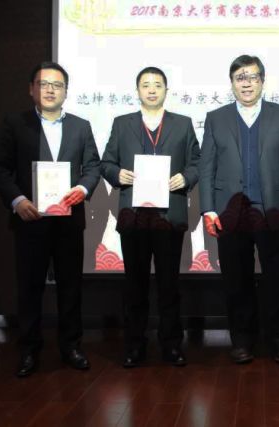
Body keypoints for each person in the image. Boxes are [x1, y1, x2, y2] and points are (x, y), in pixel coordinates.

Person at [0, 61, 100, 377]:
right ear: (32, 89)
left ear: (66, 91)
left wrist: (82, 188)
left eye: (57, 85)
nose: (50, 89)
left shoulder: (81, 126)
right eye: (43, 84)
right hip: (30, 219)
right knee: (30, 288)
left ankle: (71, 347)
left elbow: (92, 166)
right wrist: (18, 201)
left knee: (70, 287)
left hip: (69, 220)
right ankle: (29, 350)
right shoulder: (15, 123)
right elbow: (0, 169)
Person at [198, 55, 279, 364]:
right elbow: (206, 168)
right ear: (232, 83)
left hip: (271, 210)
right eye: (240, 78)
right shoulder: (216, 118)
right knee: (236, 280)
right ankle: (242, 340)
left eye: (253, 77)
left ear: (262, 81)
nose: (247, 83)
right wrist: (208, 209)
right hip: (229, 213)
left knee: (276, 279)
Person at [101, 66, 200, 368]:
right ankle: (135, 345)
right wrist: (117, 174)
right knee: (135, 285)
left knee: (169, 285)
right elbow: (106, 163)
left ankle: (171, 344)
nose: (152, 89)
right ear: (137, 91)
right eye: (146, 84)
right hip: (134, 217)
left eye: (158, 84)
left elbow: (197, 162)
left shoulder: (183, 124)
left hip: (169, 216)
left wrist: (186, 177)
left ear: (166, 90)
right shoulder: (122, 124)